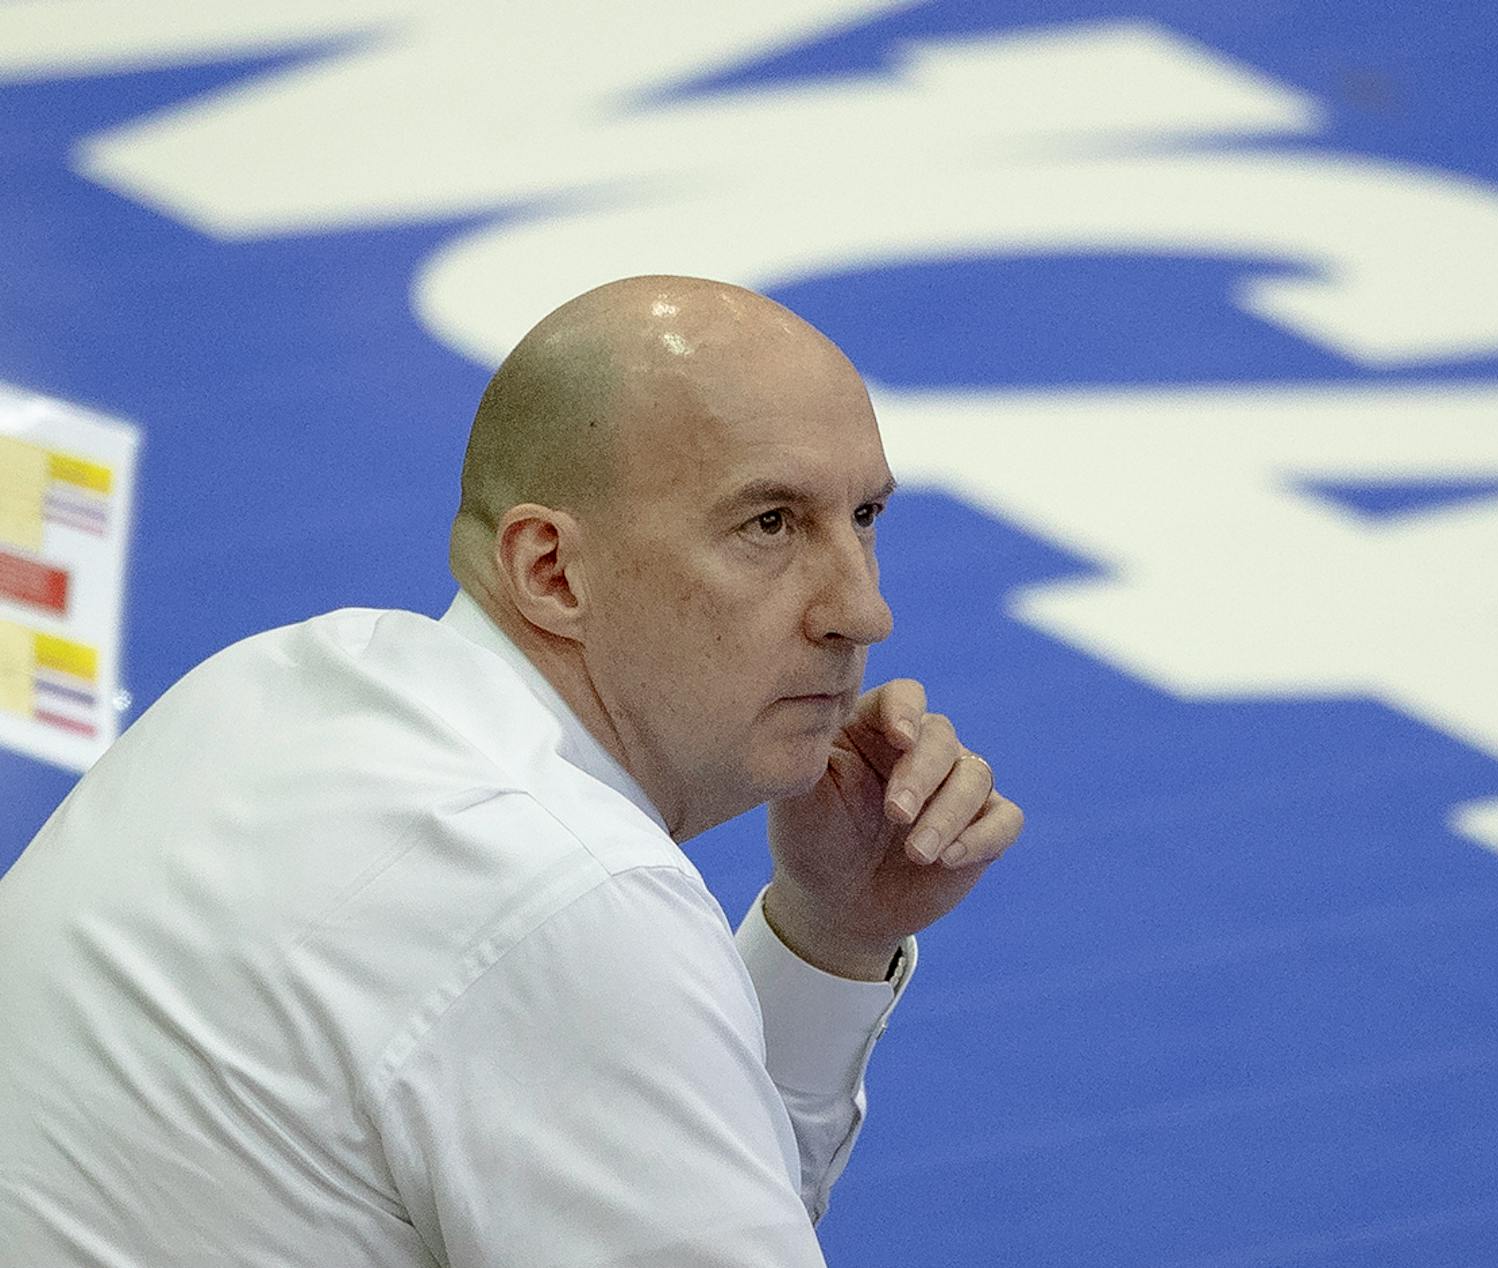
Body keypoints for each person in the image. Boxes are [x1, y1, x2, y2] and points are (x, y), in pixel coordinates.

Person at [0, 276, 1023, 1266]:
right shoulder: (561, 886)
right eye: (770, 524)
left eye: (866, 519)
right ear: (551, 571)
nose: (864, 610)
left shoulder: (272, 681)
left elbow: (680, 1189)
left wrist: (830, 933)